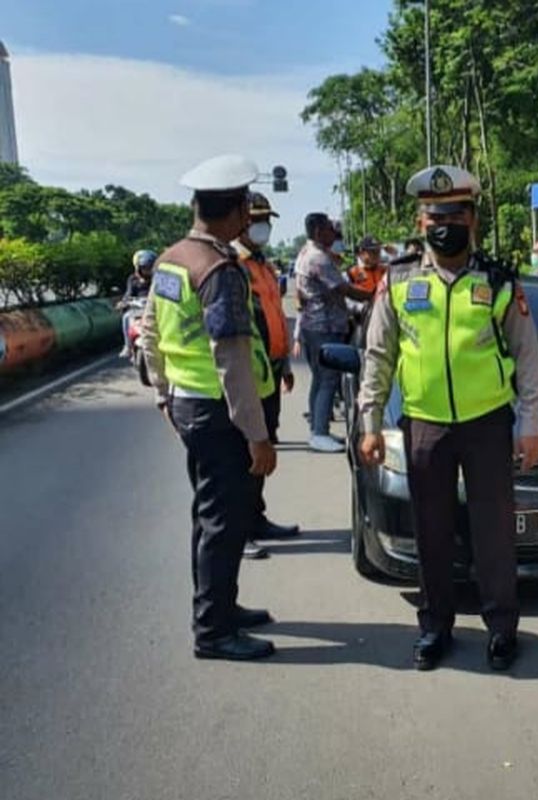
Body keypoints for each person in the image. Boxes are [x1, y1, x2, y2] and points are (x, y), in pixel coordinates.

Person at [358, 165, 538, 672]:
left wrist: (530, 424)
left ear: (473, 220)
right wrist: (369, 419)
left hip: (488, 424)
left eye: (455, 214)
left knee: (493, 533)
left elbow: (528, 358)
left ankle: (502, 628)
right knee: (431, 531)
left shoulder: (499, 281)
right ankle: (434, 626)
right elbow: (378, 354)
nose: (445, 223)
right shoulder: (397, 281)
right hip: (423, 425)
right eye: (434, 215)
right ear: (421, 223)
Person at [140, 154, 278, 661]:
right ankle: (214, 632)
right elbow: (232, 358)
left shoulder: (172, 259)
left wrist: (162, 393)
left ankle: (221, 607)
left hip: (189, 404)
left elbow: (149, 333)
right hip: (221, 413)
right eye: (247, 206)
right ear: (238, 210)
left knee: (209, 515)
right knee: (225, 520)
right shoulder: (219, 270)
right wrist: (257, 434)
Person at [233, 192, 301, 559]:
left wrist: (285, 363)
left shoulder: (264, 265)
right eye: (257, 219)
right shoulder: (233, 265)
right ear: (241, 221)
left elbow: (275, 314)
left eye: (267, 220)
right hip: (247, 374)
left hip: (271, 369)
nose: (264, 226)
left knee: (265, 447)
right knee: (245, 453)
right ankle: (239, 530)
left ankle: (255, 517)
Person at [294, 212, 373, 452]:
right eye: (330, 229)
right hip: (323, 327)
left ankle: (319, 429)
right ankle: (319, 433)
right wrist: (375, 295)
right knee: (328, 379)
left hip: (315, 326)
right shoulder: (318, 258)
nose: (334, 233)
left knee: (320, 379)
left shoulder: (308, 253)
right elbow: (343, 289)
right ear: (319, 232)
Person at [118, 249, 156, 357]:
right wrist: (124, 302)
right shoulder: (132, 279)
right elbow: (128, 294)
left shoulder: (157, 279)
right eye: (144, 268)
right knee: (126, 317)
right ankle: (128, 346)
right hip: (138, 309)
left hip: (153, 308)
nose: (147, 271)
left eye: (149, 268)